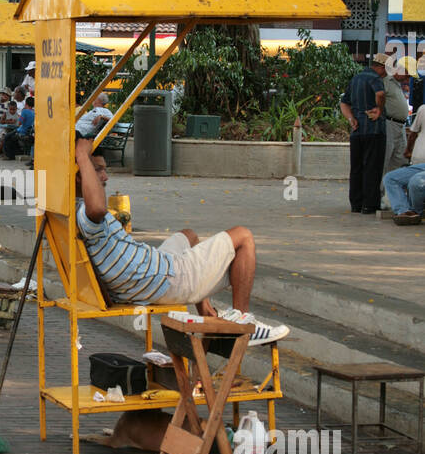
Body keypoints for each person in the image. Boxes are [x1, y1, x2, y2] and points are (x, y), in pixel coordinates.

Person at [74, 137, 289, 343]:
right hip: (167, 278)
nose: (105, 177)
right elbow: (98, 208)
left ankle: (207, 312)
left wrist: (85, 158)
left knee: (189, 235)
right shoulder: (87, 214)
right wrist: (83, 155)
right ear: (79, 174)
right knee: (243, 237)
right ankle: (242, 324)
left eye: (104, 169)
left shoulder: (75, 211)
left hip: (153, 268)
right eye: (98, 170)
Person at [340, 53, 387, 214]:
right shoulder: (375, 78)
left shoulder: (356, 79)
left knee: (356, 168)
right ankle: (369, 205)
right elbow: (380, 94)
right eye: (386, 69)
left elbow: (344, 102)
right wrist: (379, 109)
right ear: (380, 67)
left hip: (357, 130)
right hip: (374, 129)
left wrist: (351, 119)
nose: (386, 73)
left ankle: (356, 204)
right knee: (372, 167)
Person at [383, 99, 425, 225]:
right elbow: (413, 133)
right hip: (421, 164)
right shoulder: (423, 109)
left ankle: (415, 212)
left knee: (416, 181)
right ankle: (403, 211)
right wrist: (408, 151)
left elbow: (413, 134)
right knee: (390, 178)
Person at [381, 67, 409, 185]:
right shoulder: (387, 81)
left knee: (400, 158)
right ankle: (379, 192)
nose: (408, 78)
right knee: (385, 158)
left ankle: (392, 191)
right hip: (389, 123)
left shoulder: (398, 84)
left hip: (400, 125)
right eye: (407, 75)